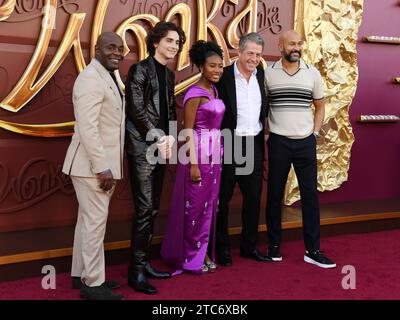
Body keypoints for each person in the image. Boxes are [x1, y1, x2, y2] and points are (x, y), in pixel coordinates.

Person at [265, 30, 336, 268]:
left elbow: (320, 105)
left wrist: (314, 133)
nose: (296, 47)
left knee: (310, 197)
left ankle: (312, 250)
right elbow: (261, 106)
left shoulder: (312, 73)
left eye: (299, 44)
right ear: (281, 45)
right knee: (274, 194)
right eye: (291, 44)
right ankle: (274, 247)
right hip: (278, 141)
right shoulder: (268, 74)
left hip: (305, 141)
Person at [125, 21, 186, 294]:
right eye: (169, 41)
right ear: (155, 43)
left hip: (162, 146)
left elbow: (170, 111)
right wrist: (159, 137)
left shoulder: (169, 74)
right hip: (142, 148)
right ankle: (135, 271)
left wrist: (171, 136)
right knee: (144, 210)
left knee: (153, 209)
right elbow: (136, 111)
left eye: (177, 42)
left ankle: (145, 262)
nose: (174, 46)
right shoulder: (139, 69)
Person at [62, 32, 125, 300]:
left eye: (121, 48)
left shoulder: (107, 75)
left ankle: (81, 275)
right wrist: (102, 167)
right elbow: (87, 128)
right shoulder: (90, 78)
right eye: (111, 47)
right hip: (92, 167)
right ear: (96, 49)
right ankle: (93, 283)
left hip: (92, 165)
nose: (118, 52)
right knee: (94, 224)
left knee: (87, 222)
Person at [161, 40, 225, 275]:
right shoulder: (194, 93)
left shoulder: (214, 90)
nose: (217, 70)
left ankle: (204, 251)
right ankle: (191, 255)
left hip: (215, 156)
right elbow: (187, 131)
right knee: (195, 208)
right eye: (212, 66)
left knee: (209, 208)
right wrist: (194, 165)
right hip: (197, 156)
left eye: (220, 66)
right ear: (200, 66)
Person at [215, 32, 271, 266]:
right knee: (223, 199)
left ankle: (249, 247)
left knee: (253, 199)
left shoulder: (262, 77)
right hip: (229, 143)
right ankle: (222, 249)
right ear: (239, 51)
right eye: (250, 53)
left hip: (253, 144)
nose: (254, 59)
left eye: (258, 55)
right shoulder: (223, 76)